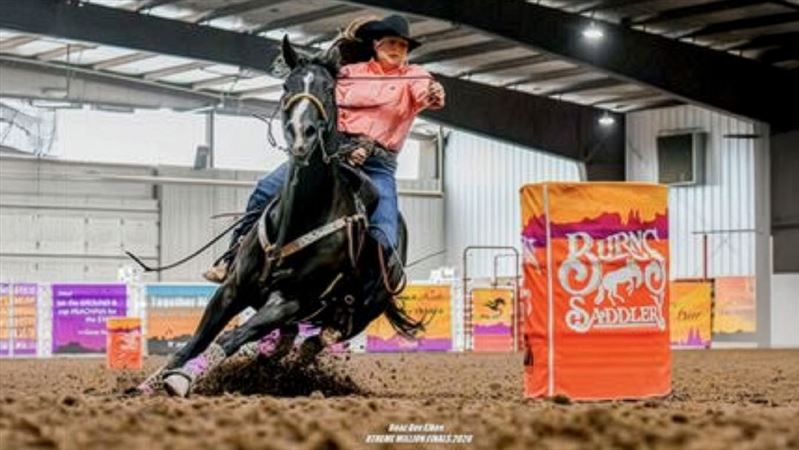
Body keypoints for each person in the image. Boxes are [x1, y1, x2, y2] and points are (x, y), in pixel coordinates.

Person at [204, 14, 446, 285]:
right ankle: (232, 257)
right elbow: (320, 95)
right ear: (376, 44)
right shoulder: (348, 73)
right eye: (391, 42)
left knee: (385, 231)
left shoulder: (415, 77)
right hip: (330, 153)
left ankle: (370, 290)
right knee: (265, 188)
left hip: (377, 165)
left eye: (403, 45)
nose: (397, 49)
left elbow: (428, 93)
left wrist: (434, 93)